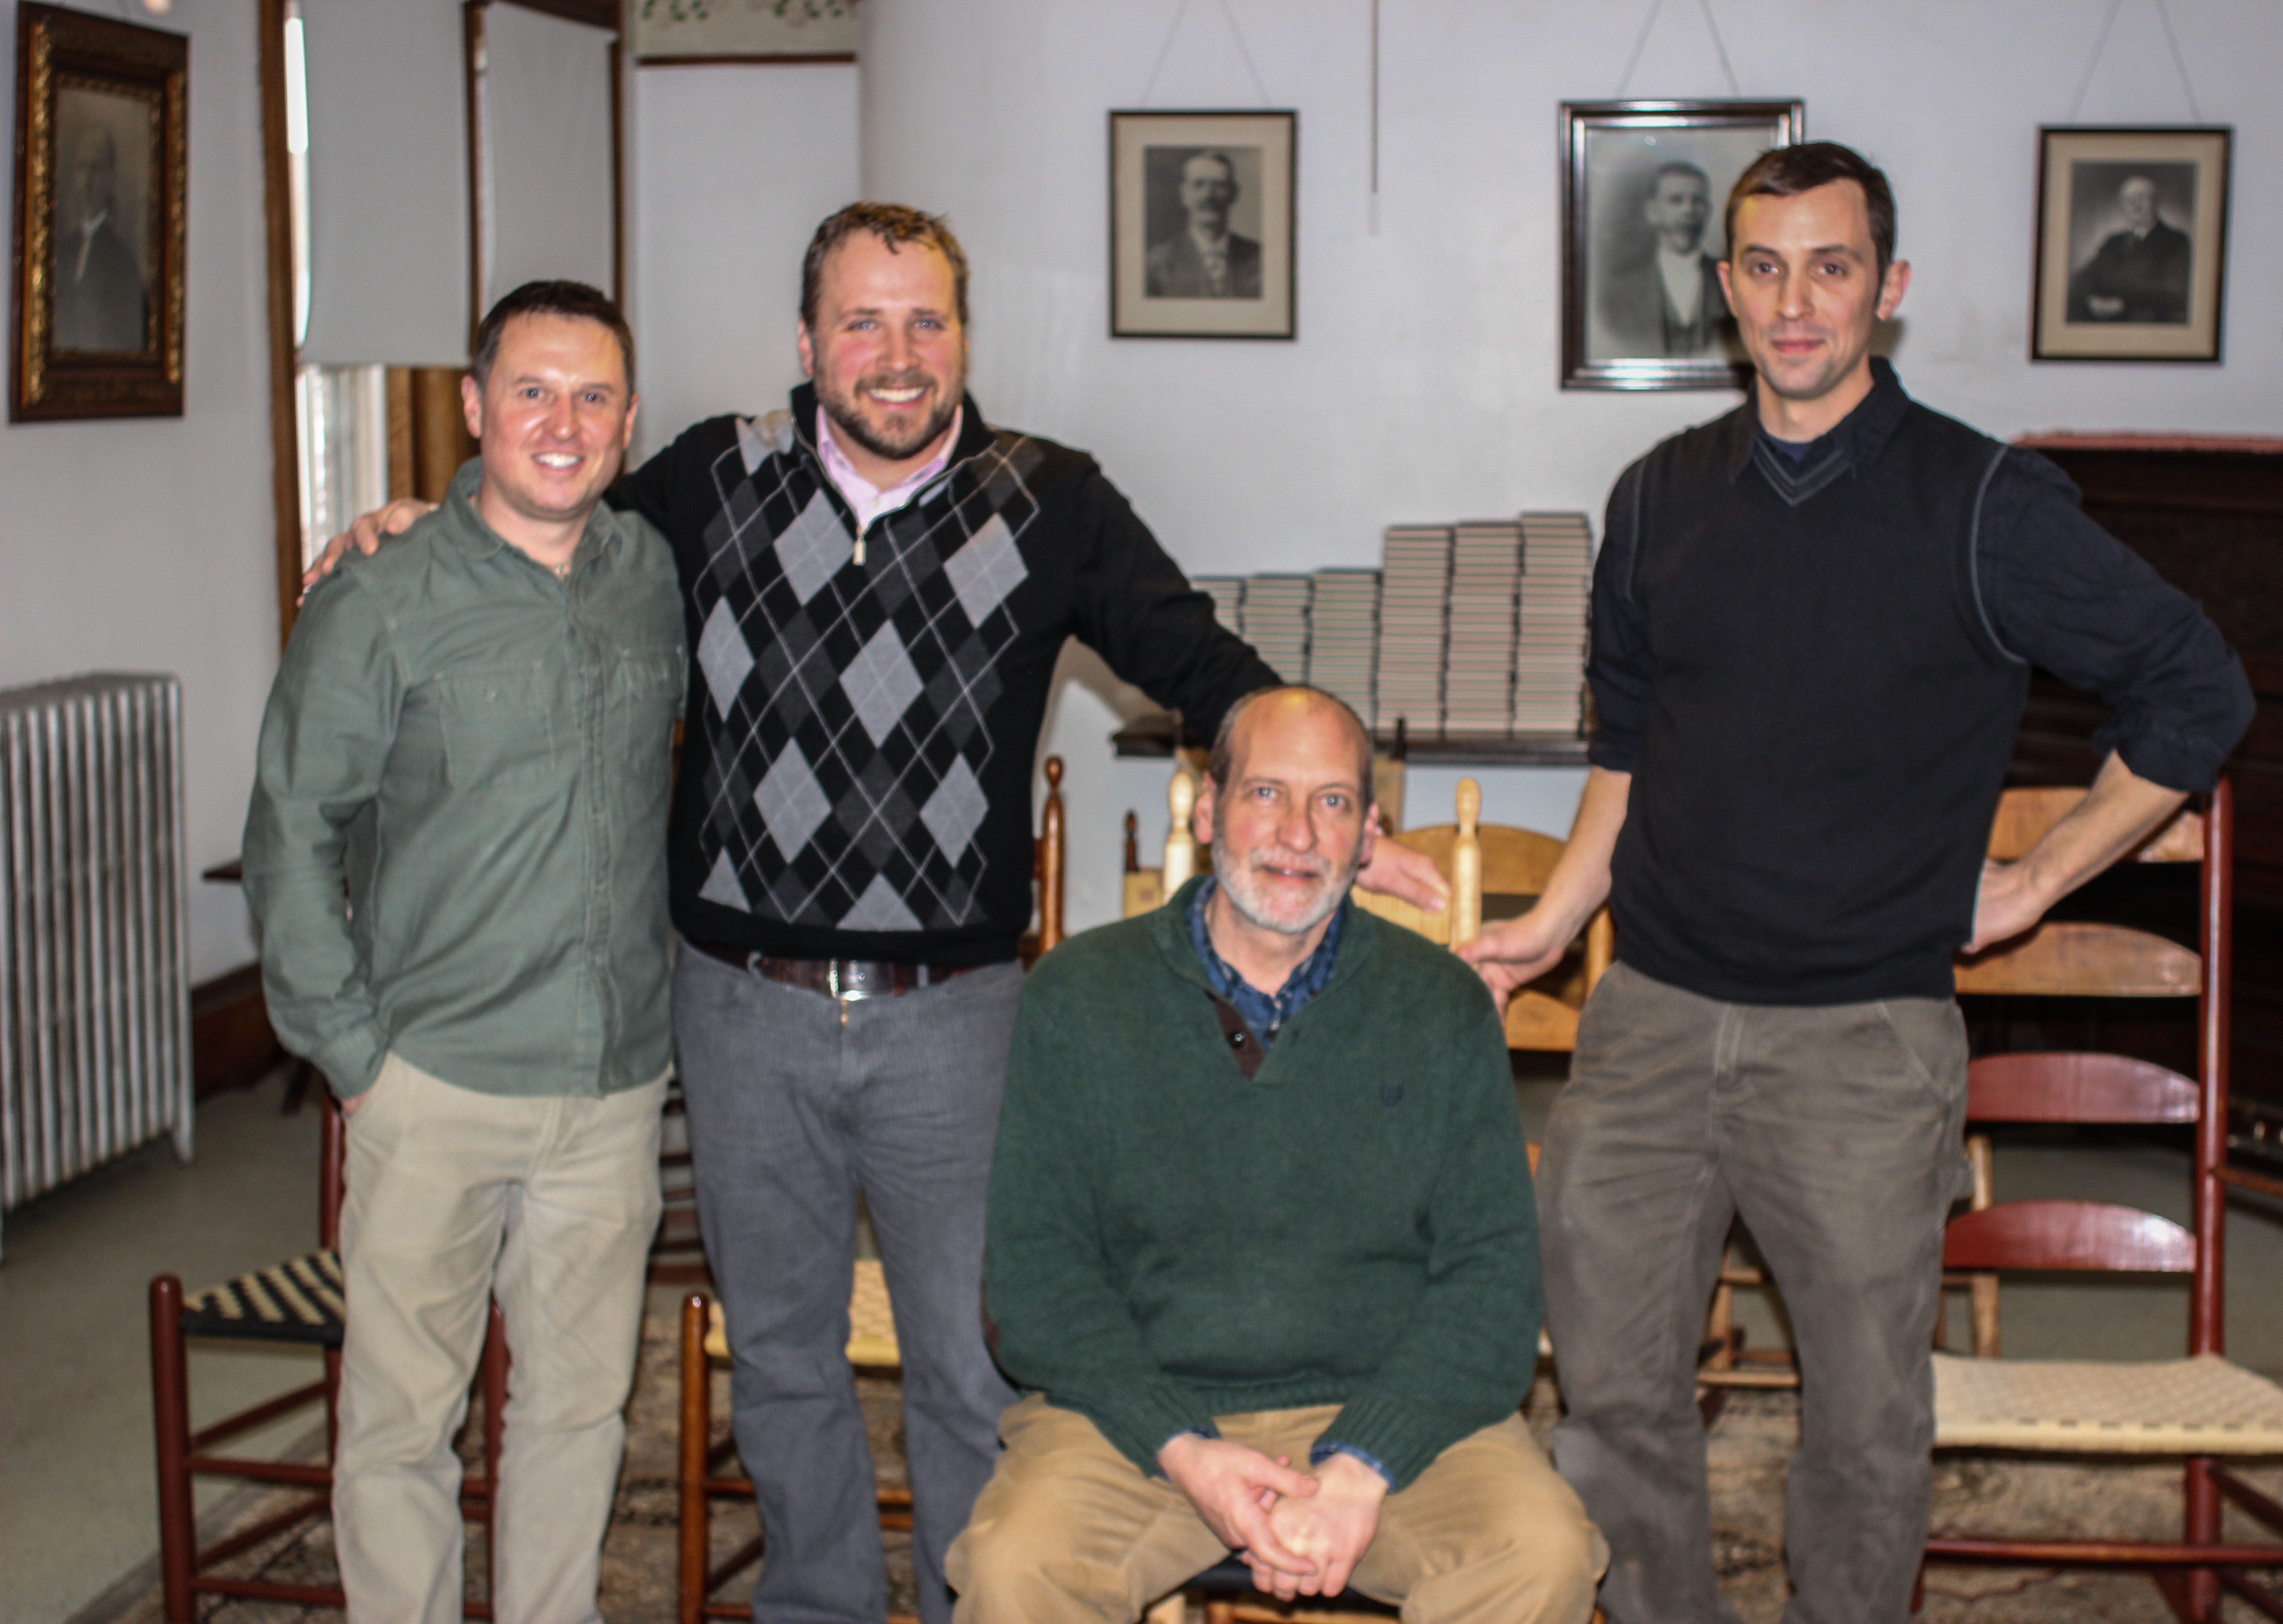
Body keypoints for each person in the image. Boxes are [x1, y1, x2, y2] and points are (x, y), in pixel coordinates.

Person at [312, 203, 1444, 1624]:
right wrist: (420, 515)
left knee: (972, 1364)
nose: (896, 354)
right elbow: (551, 512)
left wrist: (1326, 808)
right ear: (807, 341)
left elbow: (1200, 663)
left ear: (964, 336)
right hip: (740, 1009)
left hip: (954, 1024)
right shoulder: (713, 477)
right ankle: (820, 1605)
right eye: (862, 321)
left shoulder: (1052, 500)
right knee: (781, 1360)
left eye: (926, 321)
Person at [1459, 143, 2253, 1624]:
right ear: (1726, 288)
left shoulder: (1985, 503)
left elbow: (2198, 688)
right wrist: (1560, 920)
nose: (1795, 302)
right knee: (1609, 1405)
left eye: (1831, 267)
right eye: (1765, 268)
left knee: (1865, 1430)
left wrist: (2037, 878)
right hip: (1650, 1026)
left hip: (1865, 1048)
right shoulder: (1656, 497)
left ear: (1888, 288)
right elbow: (1629, 743)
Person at [949, 686, 1606, 1623]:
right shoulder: (1078, 997)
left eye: (1332, 801)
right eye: (1266, 793)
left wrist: (1361, 1467)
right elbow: (1037, 1277)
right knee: (1016, 1573)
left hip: (1389, 1416)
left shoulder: (1441, 1008)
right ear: (1208, 809)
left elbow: (1491, 1281)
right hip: (1138, 1425)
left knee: (1540, 1559)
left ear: (1368, 835)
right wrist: (1184, 1448)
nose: (1297, 833)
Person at [245, 280, 682, 1624]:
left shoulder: (651, 575)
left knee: (578, 1411)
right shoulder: (382, 595)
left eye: (593, 397)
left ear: (628, 419)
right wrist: (352, 1056)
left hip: (611, 1087)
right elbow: (291, 829)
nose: (563, 423)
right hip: (430, 1081)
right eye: (532, 392)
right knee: (399, 1428)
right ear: (475, 404)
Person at [1600, 161, 1727, 357]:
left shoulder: (1730, 281)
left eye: (1697, 201)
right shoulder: (1622, 288)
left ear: (1708, 211)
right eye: (1676, 201)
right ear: (1653, 212)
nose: (1688, 210)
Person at [53, 117, 148, 352]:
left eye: (95, 169)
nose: (87, 182)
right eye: (81, 168)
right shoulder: (62, 254)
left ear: (110, 179)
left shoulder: (123, 263)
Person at [2066, 172, 2191, 324]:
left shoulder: (2176, 241)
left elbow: (2173, 291)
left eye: (2142, 198)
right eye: (2129, 200)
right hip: (2107, 323)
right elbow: (2085, 277)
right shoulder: (2113, 242)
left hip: (2148, 324)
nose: (2135, 205)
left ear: (2156, 202)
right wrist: (2092, 299)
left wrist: (2123, 304)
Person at [1145, 150, 1263, 298]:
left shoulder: (1260, 259)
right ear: (1184, 194)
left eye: (1219, 185)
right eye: (1199, 185)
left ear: (1234, 194)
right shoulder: (1157, 264)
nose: (1208, 195)